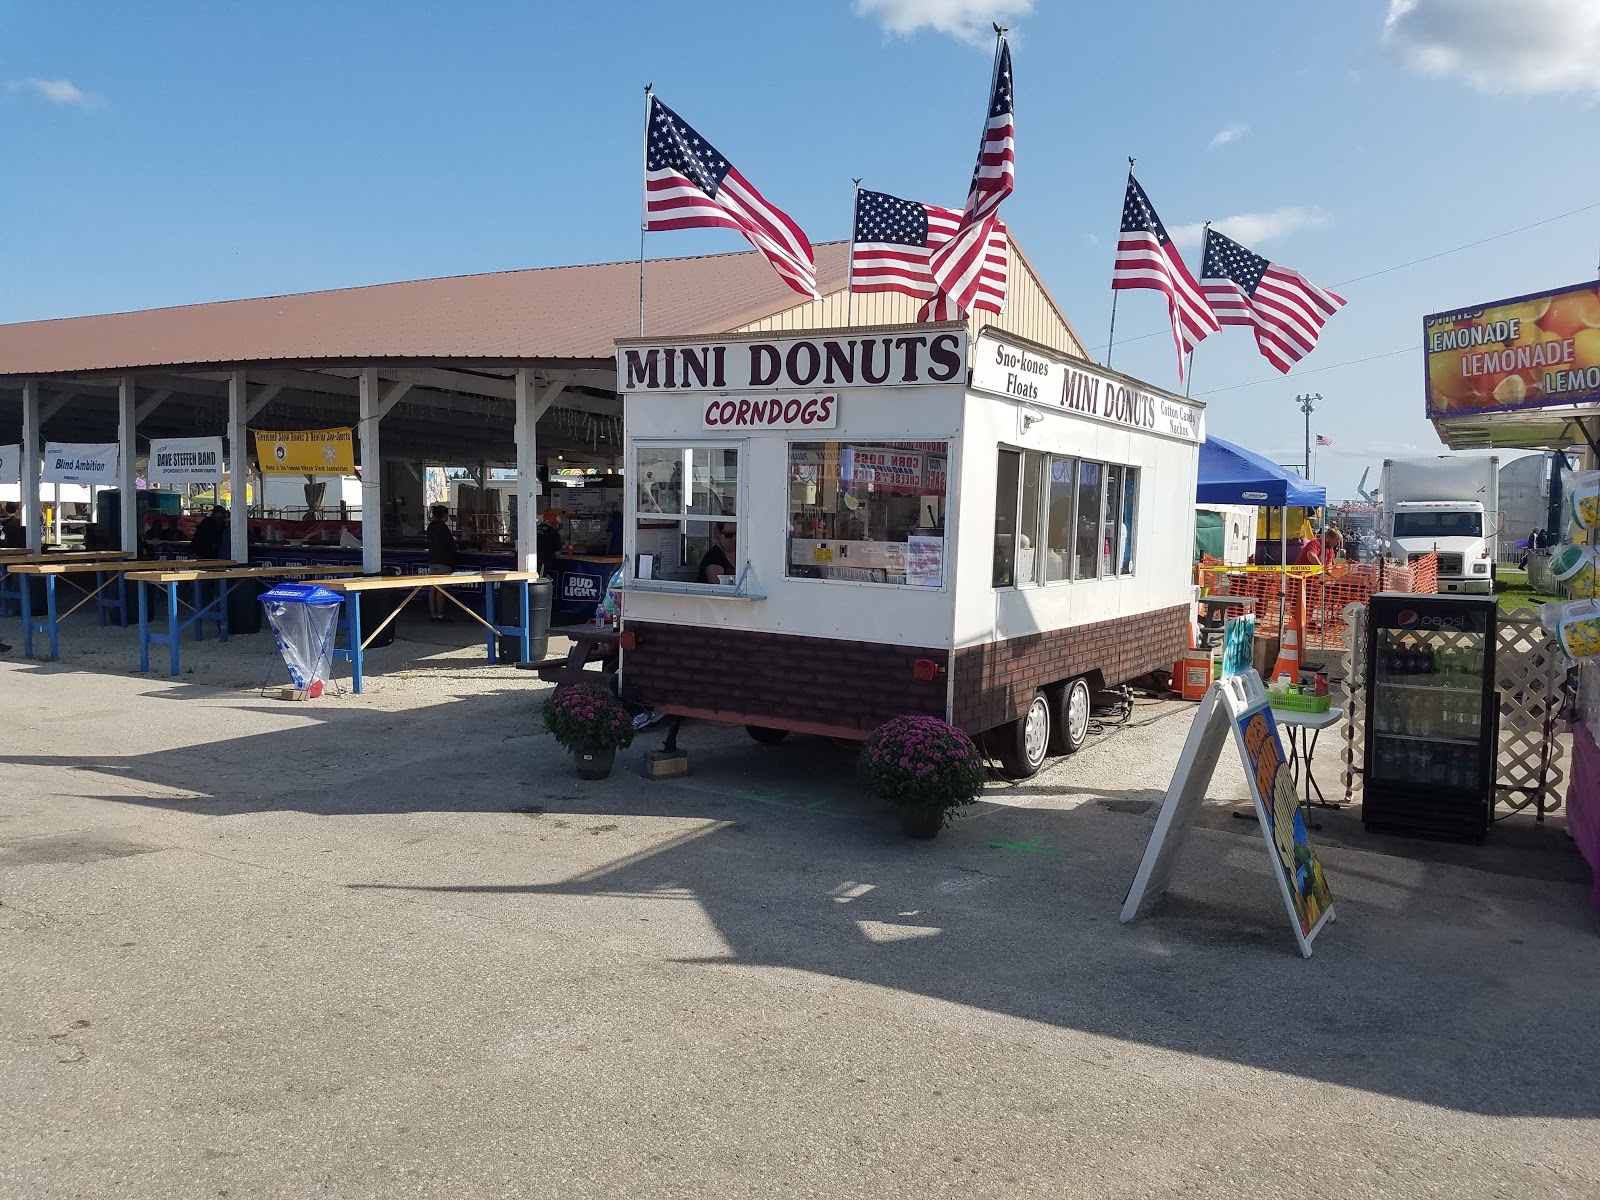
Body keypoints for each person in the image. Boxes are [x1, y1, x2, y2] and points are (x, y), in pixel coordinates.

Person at [426, 504, 459, 622]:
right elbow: (451, 545)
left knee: (433, 588)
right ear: (444, 515)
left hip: (432, 559)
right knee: (441, 589)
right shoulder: (444, 528)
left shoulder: (431, 527)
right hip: (444, 560)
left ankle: (433, 615)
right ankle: (440, 615)